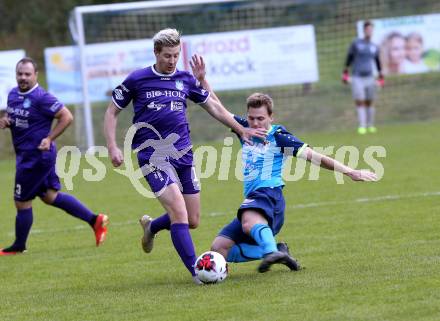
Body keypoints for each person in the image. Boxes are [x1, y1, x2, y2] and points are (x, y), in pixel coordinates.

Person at [103, 28, 264, 284]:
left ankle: (152, 227)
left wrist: (240, 128)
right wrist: (112, 146)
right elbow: (112, 111)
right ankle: (198, 273)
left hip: (183, 155)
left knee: (192, 219)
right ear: (156, 53)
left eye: (176, 55)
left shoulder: (184, 79)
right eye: (167, 55)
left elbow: (212, 105)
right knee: (179, 211)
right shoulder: (137, 79)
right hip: (152, 156)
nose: (172, 60)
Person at [206, 92, 378, 273]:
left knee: (248, 222)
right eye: (251, 118)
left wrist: (350, 171)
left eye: (261, 118)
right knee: (219, 248)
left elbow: (315, 157)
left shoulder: (279, 137)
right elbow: (219, 109)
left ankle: (271, 251)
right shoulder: (244, 129)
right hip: (254, 199)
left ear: (271, 117)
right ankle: (278, 251)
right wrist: (203, 81)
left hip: (269, 195)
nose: (255, 123)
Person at [0, 57, 108, 256]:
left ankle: (18, 246)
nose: (23, 77)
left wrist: (49, 137)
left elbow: (67, 116)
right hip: (28, 156)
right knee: (50, 197)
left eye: (27, 74)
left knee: (22, 201)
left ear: (36, 75)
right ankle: (95, 220)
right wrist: (8, 121)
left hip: (36, 158)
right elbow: (17, 117)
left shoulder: (42, 97)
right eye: (20, 74)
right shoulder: (13, 94)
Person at [343, 21, 384, 135]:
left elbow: (377, 61)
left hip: (370, 77)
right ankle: (362, 126)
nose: (369, 31)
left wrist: (380, 75)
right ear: (364, 30)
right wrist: (345, 71)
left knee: (370, 101)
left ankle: (370, 125)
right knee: (360, 101)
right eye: (367, 29)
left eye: (371, 29)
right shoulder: (356, 43)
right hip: (357, 77)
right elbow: (349, 57)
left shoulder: (374, 46)